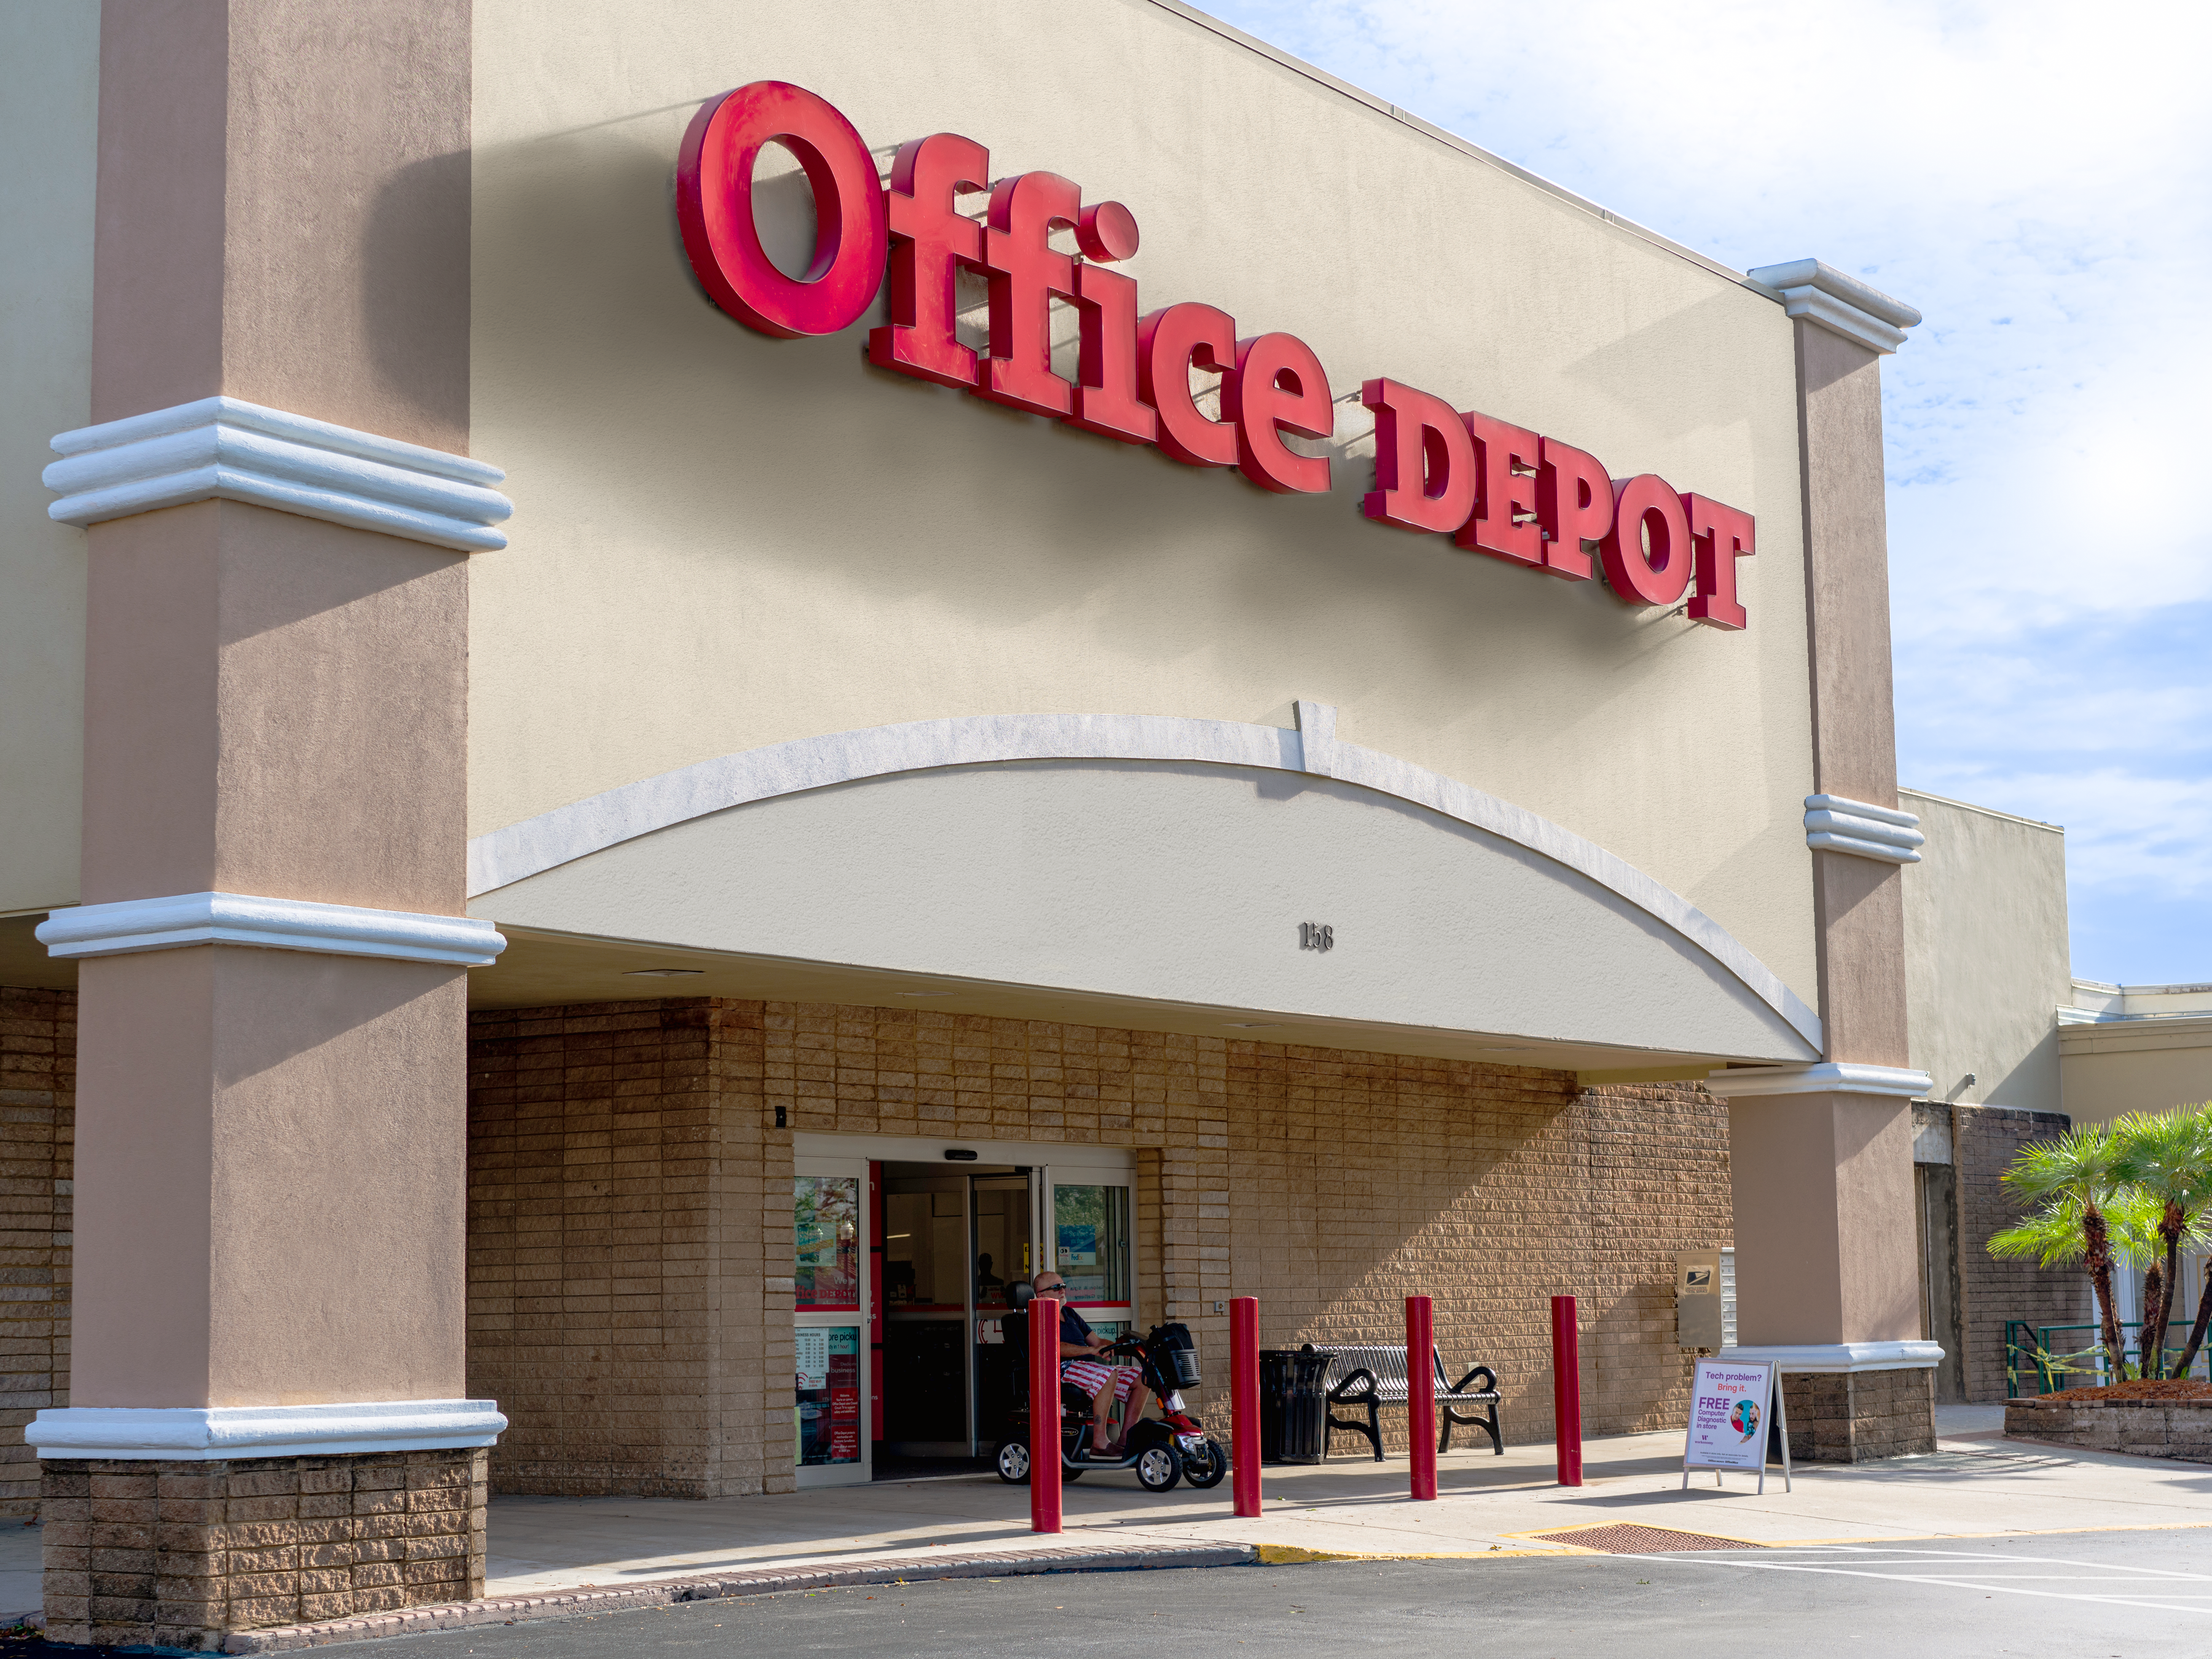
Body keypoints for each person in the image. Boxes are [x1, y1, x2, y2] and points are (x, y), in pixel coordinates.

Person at [1035, 1269, 1143, 1457]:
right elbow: (1054, 1347)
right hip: (1061, 1370)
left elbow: (1097, 1341)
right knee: (1108, 1374)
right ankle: (1100, 1444)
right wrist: (1089, 1351)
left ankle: (1126, 1441)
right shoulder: (1040, 1316)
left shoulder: (1069, 1313)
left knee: (1142, 1377)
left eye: (1063, 1286)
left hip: (1087, 1370)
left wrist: (1121, 1348)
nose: (1062, 1290)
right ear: (1041, 1295)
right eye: (1056, 1287)